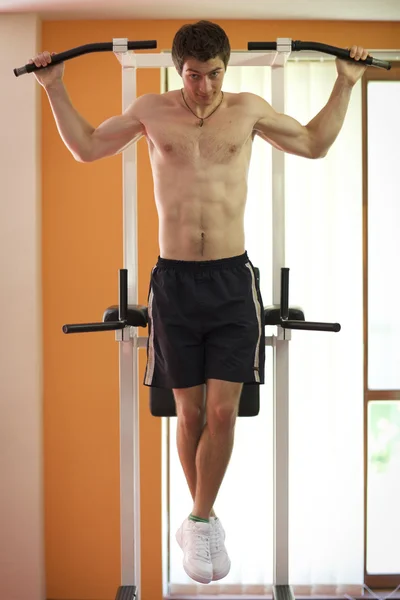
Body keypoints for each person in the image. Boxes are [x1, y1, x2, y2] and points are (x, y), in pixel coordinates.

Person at [30, 20, 369, 585]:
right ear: (176, 68)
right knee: (187, 413)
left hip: (233, 282)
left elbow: (314, 143)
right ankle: (203, 517)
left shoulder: (249, 110)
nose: (204, 87)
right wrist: (54, 88)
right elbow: (88, 148)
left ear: (225, 69)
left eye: (214, 75)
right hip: (175, 284)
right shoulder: (150, 110)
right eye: (193, 75)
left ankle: (200, 517)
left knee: (221, 411)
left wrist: (347, 82)